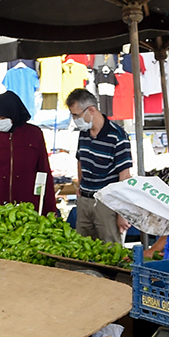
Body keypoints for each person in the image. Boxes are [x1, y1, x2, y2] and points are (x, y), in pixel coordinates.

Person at [0, 92, 56, 213]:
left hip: (28, 204)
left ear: (14, 114)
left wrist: (50, 208)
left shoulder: (34, 134)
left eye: (3, 118)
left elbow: (44, 170)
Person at [67, 88, 132, 245]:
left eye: (76, 115)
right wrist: (80, 187)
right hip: (85, 201)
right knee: (82, 248)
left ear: (91, 110)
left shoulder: (117, 136)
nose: (75, 119)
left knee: (110, 250)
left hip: (107, 204)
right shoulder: (84, 133)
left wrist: (122, 212)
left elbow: (124, 176)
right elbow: (80, 160)